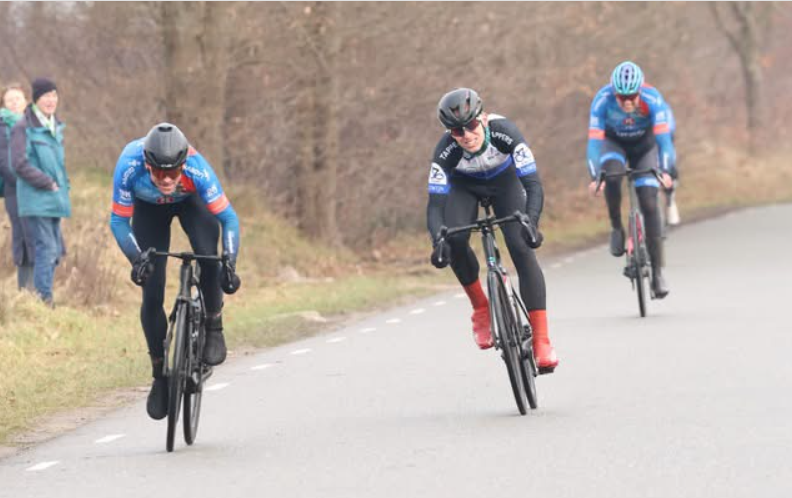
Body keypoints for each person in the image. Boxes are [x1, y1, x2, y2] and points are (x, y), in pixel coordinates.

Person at [109, 122, 241, 420]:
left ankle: (214, 326)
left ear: (183, 163)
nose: (166, 179)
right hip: (148, 211)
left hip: (191, 204)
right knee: (151, 291)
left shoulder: (197, 167)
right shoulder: (129, 164)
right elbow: (118, 222)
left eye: (173, 172)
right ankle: (159, 375)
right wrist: (136, 258)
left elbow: (229, 219)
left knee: (209, 257)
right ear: (147, 164)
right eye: (158, 173)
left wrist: (229, 261)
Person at [426, 88, 558, 373]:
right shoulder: (445, 152)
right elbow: (435, 207)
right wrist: (438, 241)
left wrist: (531, 223)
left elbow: (533, 185)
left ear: (484, 119)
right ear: (450, 133)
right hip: (465, 188)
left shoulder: (506, 132)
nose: (467, 135)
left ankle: (542, 341)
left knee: (521, 246)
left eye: (472, 126)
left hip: (506, 183)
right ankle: (481, 309)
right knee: (456, 238)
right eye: (458, 131)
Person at [586, 61, 677, 298]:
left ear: (640, 91)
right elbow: (594, 144)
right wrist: (596, 176)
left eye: (632, 96)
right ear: (614, 93)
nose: (627, 101)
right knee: (613, 176)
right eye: (622, 96)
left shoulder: (652, 98)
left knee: (649, 202)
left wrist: (666, 171)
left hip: (645, 147)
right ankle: (616, 226)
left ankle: (657, 274)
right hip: (614, 144)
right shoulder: (601, 100)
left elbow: (665, 141)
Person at [10, 78, 68, 305]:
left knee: (54, 252)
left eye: (54, 95)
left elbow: (58, 164)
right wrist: (46, 182)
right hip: (36, 199)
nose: (51, 100)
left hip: (55, 199)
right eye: (46, 96)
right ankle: (44, 299)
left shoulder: (54, 125)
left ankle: (39, 296)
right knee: (46, 249)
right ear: (36, 99)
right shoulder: (23, 127)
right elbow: (19, 164)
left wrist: (64, 185)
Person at [0, 83, 35, 291]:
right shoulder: (2, 125)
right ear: (3, 104)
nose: (14, 102)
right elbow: (4, 162)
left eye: (18, 98)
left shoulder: (34, 123)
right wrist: (25, 182)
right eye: (9, 99)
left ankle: (37, 291)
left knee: (37, 236)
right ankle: (24, 291)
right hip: (15, 189)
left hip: (35, 189)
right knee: (22, 235)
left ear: (26, 101)